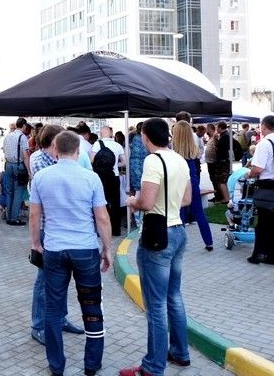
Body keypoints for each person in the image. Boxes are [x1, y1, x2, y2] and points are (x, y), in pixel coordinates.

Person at [30, 130, 112, 376]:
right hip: (85, 249)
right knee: (92, 306)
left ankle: (57, 365)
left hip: (54, 249)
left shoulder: (41, 177)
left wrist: (35, 243)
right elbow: (102, 217)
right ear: (78, 151)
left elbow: (35, 214)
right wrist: (107, 248)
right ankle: (92, 364)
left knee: (53, 309)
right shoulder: (91, 178)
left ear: (55, 149)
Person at [121, 118, 192, 376]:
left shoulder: (153, 160)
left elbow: (147, 203)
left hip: (157, 235)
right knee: (174, 296)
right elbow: (187, 199)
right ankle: (180, 352)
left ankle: (152, 366)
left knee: (156, 305)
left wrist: (132, 201)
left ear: (145, 137)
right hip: (178, 230)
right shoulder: (179, 159)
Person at [26, 125, 84, 346]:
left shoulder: (55, 160)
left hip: (61, 228)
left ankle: (60, 318)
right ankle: (39, 325)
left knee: (62, 278)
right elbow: (58, 186)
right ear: (53, 143)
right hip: (46, 228)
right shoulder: (39, 160)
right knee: (44, 280)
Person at [171, 121, 213, 250]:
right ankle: (209, 242)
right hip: (193, 182)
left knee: (180, 213)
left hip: (179, 183)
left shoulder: (173, 152)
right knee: (199, 212)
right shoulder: (193, 149)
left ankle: (181, 243)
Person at [247, 114, 274, 264]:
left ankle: (260, 254)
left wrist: (249, 174)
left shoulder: (265, 143)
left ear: (264, 126)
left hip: (267, 188)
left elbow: (258, 168)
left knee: (264, 223)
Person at [90, 126, 126, 236]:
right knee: (115, 203)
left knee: (101, 202)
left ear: (100, 134)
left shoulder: (97, 144)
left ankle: (103, 229)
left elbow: (92, 160)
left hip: (100, 177)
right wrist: (115, 165)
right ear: (111, 134)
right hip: (114, 176)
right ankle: (116, 230)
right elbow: (124, 162)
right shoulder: (118, 145)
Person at [1, 117, 30, 225]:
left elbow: (4, 150)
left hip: (8, 165)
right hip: (19, 166)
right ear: (24, 126)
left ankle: (9, 216)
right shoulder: (22, 137)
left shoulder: (8, 136)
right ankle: (14, 218)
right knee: (18, 192)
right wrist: (29, 171)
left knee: (9, 192)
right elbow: (25, 155)